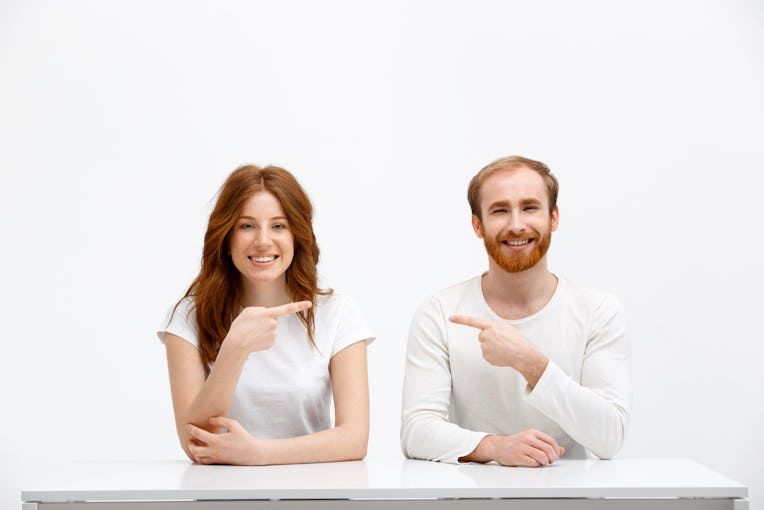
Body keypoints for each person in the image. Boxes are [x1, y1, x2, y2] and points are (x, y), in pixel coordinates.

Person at [400, 156, 631, 467]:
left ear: (554, 218)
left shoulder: (599, 311)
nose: (516, 224)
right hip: (469, 498)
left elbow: (610, 437)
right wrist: (495, 447)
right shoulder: (440, 311)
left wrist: (531, 363)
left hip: (570, 498)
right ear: (477, 225)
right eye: (500, 210)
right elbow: (415, 431)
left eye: (530, 207)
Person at [159, 164, 374, 465]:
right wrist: (234, 350)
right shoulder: (188, 316)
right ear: (227, 238)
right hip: (222, 498)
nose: (262, 241)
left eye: (278, 226)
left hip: (313, 496)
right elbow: (197, 442)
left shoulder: (337, 313)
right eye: (246, 226)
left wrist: (259, 454)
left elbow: (354, 439)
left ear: (297, 235)